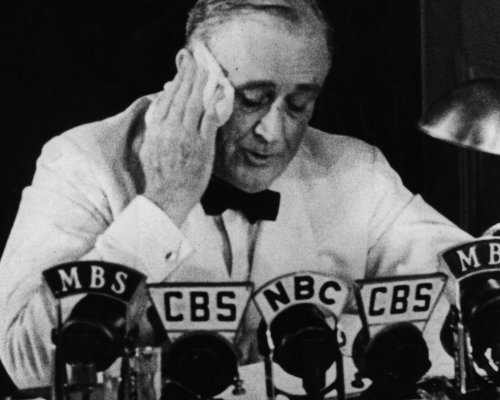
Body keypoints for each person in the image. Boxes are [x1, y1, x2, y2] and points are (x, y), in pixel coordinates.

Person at [0, 0, 470, 389]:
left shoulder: (355, 170)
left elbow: (468, 290)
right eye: (252, 99)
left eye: (299, 104)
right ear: (190, 74)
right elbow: (28, 364)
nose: (274, 133)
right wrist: (162, 205)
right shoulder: (83, 162)